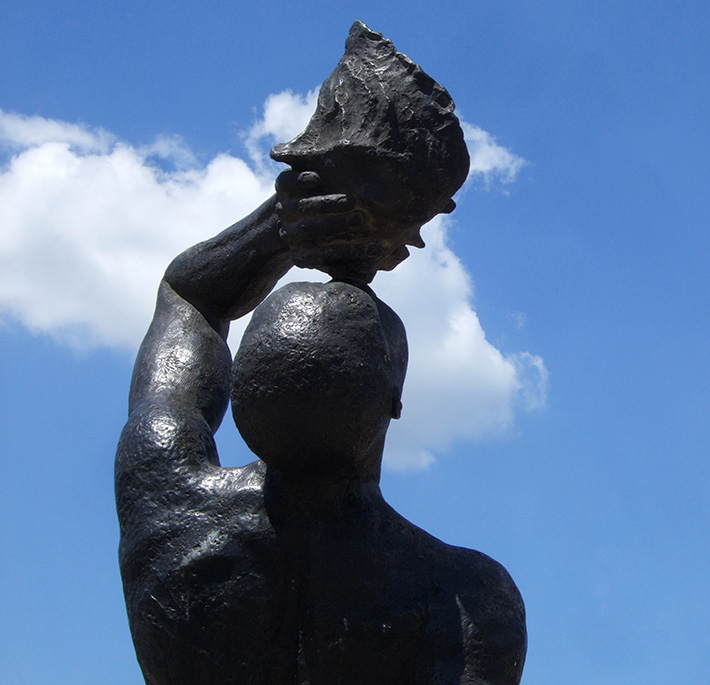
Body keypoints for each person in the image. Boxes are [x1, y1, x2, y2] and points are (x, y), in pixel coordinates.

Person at [115, 163, 527, 683]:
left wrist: (282, 223)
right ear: (393, 400)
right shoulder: (464, 597)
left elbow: (189, 298)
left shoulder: (165, 499)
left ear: (239, 383)